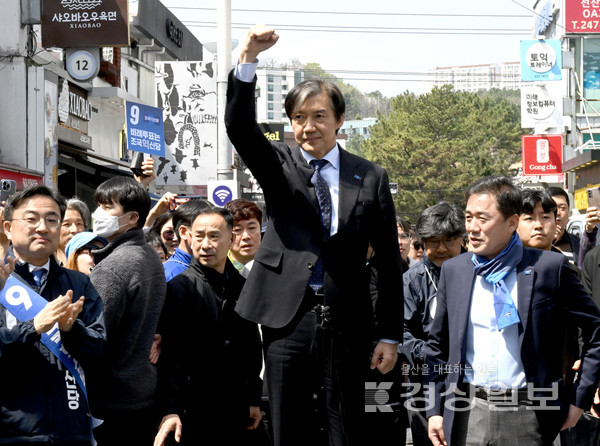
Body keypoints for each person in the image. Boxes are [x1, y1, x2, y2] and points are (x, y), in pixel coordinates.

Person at [226, 26, 403, 445]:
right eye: (299, 118)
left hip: (350, 318)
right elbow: (239, 126)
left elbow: (388, 260)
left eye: (319, 116)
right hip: (288, 316)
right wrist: (247, 56)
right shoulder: (279, 163)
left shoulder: (371, 176)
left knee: (349, 422)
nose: (309, 127)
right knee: (289, 423)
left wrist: (389, 334)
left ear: (339, 121)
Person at [425, 176, 600, 446]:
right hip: (468, 412)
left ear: (511, 222)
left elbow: (596, 330)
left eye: (483, 218)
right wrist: (435, 409)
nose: (472, 228)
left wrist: (580, 397)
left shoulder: (549, 268)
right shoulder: (455, 270)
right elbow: (437, 345)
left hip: (529, 414)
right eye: (468, 218)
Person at [0, 185, 106, 444]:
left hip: (71, 429)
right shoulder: (2, 282)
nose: (42, 227)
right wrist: (32, 328)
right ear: (7, 228)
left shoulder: (79, 284)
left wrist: (72, 331)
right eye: (31, 219)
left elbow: (100, 350)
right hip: (12, 431)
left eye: (51, 220)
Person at [154, 206, 263, 446]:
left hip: (235, 404)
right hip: (194, 407)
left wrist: (253, 398)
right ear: (189, 237)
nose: (205, 244)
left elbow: (251, 344)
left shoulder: (242, 285)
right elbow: (173, 354)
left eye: (214, 236)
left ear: (230, 239)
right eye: (199, 236)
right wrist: (171, 408)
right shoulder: (181, 287)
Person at [88, 176, 167, 446]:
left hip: (111, 400)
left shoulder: (114, 267)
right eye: (98, 205)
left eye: (108, 207)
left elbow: (92, 335)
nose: (98, 214)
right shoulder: (149, 255)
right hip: (140, 391)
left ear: (133, 217)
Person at [402, 201, 465, 446]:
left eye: (448, 240)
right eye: (432, 242)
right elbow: (402, 332)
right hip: (424, 376)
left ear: (462, 238)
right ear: (422, 242)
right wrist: (430, 353)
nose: (441, 249)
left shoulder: (477, 273)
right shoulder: (411, 280)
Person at [163, 199, 211, 282]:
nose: (211, 242)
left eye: (214, 234)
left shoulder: (215, 266)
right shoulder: (171, 276)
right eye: (202, 233)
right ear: (183, 232)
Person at [224, 198, 263, 277]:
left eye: (252, 228)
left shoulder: (275, 266)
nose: (246, 236)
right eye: (237, 230)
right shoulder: (218, 266)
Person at [546, 186, 580, 264]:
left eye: (563, 208)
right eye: (553, 208)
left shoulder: (578, 244)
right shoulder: (534, 241)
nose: (558, 213)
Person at [56, 198, 91, 265]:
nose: (74, 230)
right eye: (66, 224)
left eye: (79, 224)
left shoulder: (92, 259)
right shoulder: (44, 260)